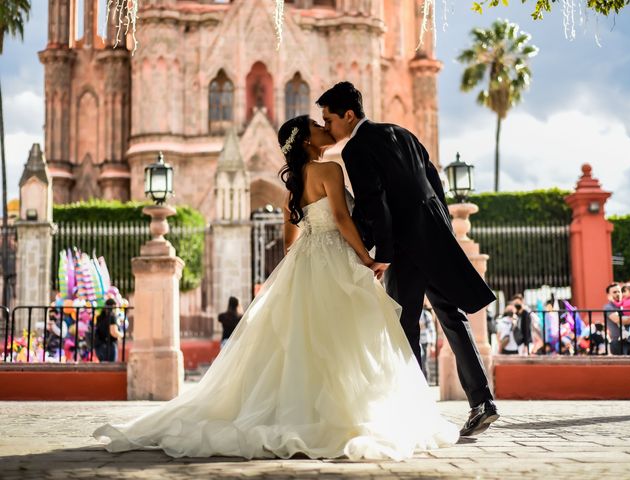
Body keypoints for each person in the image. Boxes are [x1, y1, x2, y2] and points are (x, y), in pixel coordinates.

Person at [93, 115, 459, 460]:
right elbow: (343, 218)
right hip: (337, 260)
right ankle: (340, 413)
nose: (321, 127)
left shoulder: (294, 187)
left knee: (305, 340)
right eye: (316, 126)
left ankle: (304, 410)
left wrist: (313, 253)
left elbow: (289, 243)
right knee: (345, 339)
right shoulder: (329, 169)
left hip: (307, 263)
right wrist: (366, 258)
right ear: (305, 141)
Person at [317, 82, 498, 437]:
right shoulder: (402, 133)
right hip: (434, 236)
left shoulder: (356, 149)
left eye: (329, 119)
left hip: (403, 247)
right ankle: (482, 401)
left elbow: (375, 202)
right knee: (452, 316)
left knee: (405, 326)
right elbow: (434, 182)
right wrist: (442, 229)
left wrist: (381, 253)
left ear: (348, 115)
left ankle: (416, 412)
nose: (327, 127)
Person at [603, 283, 630, 355]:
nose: (618, 294)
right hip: (617, 342)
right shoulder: (608, 307)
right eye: (614, 292)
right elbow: (618, 320)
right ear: (608, 295)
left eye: (619, 291)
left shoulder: (626, 305)